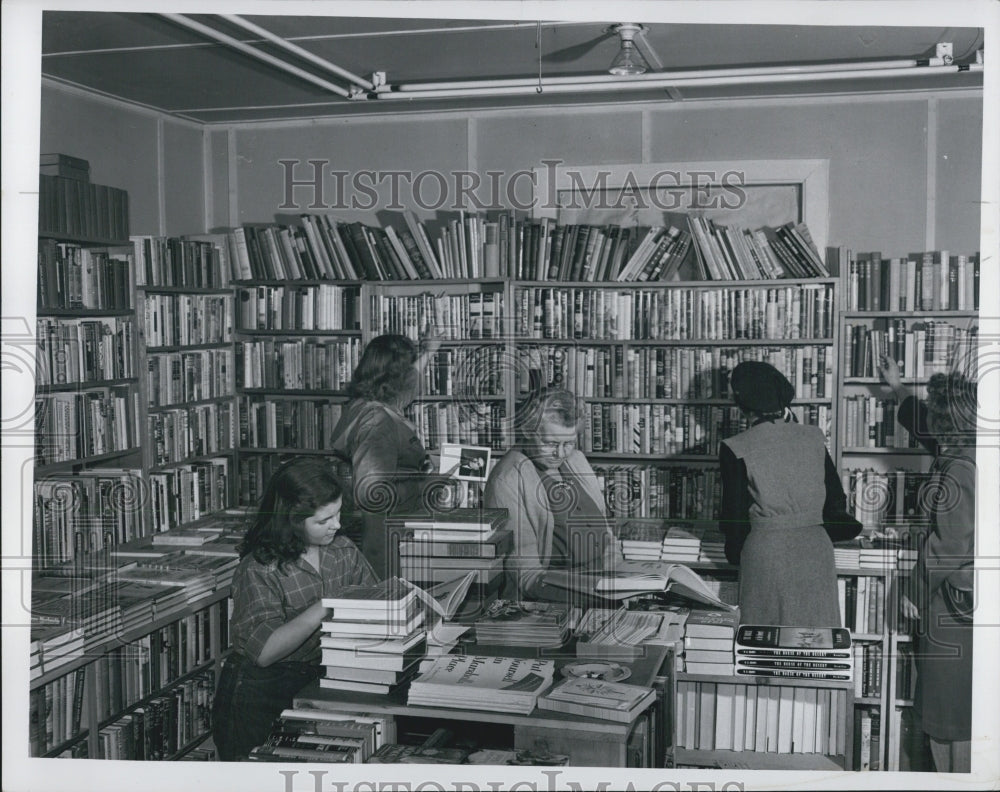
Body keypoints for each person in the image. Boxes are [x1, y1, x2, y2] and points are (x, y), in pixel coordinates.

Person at [211, 459, 377, 761]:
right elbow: (264, 652)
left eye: (338, 513)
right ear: (292, 520)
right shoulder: (259, 568)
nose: (337, 525)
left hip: (317, 680)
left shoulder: (342, 550)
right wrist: (325, 606)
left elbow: (374, 602)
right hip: (258, 692)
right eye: (323, 520)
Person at [878, 357, 976, 773]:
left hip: (951, 605)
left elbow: (950, 545)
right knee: (949, 713)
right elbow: (921, 423)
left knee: (949, 719)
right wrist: (898, 389)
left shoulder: (960, 468)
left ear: (947, 422)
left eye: (935, 414)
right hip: (956, 602)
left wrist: (912, 590)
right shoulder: (965, 451)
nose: (930, 422)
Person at [718, 361, 859, 628]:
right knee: (816, 646)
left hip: (765, 553)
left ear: (741, 404)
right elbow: (836, 500)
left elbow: (733, 516)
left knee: (765, 646)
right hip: (815, 551)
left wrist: (738, 554)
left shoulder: (734, 447)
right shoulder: (813, 437)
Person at [330, 330, 451, 578]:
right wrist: (426, 483)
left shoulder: (365, 403)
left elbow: (410, 387)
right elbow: (372, 495)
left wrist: (429, 352)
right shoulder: (377, 422)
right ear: (397, 377)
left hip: (389, 535)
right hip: (385, 546)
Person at [484, 387, 622, 602]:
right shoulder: (507, 481)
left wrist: (620, 578)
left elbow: (606, 533)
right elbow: (526, 576)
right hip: (555, 603)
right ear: (528, 431)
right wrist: (591, 594)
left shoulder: (576, 459)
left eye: (569, 443)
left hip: (603, 589)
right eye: (550, 444)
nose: (560, 454)